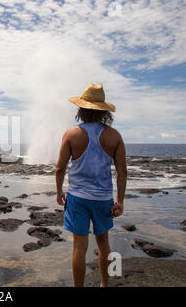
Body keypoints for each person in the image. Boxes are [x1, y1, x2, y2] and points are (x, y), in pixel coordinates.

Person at [55, 83, 127, 287]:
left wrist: (59, 191)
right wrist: (120, 201)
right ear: (103, 110)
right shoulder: (114, 136)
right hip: (103, 199)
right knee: (103, 243)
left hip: (77, 198)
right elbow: (122, 173)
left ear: (81, 109)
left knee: (79, 247)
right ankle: (105, 285)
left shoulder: (71, 134)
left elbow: (60, 168)